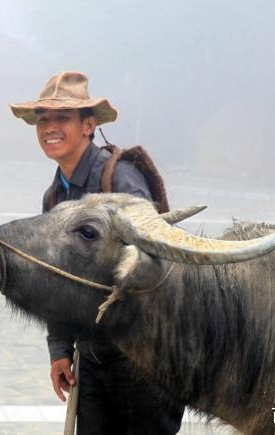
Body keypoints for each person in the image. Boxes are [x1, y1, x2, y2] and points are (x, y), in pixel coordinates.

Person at [10, 71, 184, 435]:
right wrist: (59, 349)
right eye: (43, 120)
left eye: (62, 118)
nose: (50, 128)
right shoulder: (55, 198)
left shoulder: (119, 180)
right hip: (90, 356)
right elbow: (54, 279)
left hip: (143, 358)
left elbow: (158, 270)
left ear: (89, 125)